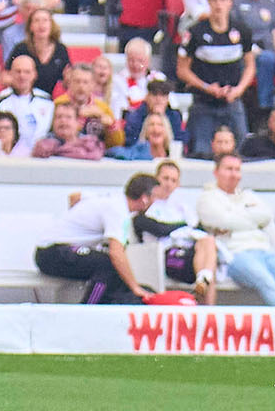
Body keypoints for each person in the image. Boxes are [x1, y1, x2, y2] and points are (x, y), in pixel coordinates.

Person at [197, 150, 275, 306]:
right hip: (234, 255)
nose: (234, 174)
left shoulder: (249, 195)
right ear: (216, 172)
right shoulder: (207, 198)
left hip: (265, 251)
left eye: (237, 169)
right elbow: (223, 221)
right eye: (228, 169)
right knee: (266, 279)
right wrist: (252, 219)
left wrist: (235, 218)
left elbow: (267, 217)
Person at [34, 173, 159, 303]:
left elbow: (75, 196)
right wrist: (135, 288)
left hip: (54, 249)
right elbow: (116, 254)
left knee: (114, 274)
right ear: (144, 198)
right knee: (108, 265)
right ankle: (90, 310)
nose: (155, 201)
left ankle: (100, 306)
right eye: (154, 197)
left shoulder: (112, 198)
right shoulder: (118, 210)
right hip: (51, 252)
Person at [177, 0, 255, 153]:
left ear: (230, 2)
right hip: (203, 102)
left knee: (241, 150)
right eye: (214, 0)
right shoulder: (195, 33)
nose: (219, 4)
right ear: (208, 2)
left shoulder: (241, 31)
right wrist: (206, 87)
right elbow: (182, 70)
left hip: (232, 101)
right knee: (201, 151)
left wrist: (239, 90)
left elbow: (250, 66)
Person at [136, 158, 220, 303]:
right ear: (156, 179)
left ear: (178, 184)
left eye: (173, 180)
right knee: (208, 266)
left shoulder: (182, 207)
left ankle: (203, 284)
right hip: (165, 256)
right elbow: (160, 229)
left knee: (208, 244)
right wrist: (184, 226)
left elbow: (198, 229)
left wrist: (184, 226)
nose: (169, 183)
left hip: (188, 255)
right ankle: (207, 308)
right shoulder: (147, 205)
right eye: (165, 178)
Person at [0, 53, 56, 144]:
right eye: (18, 71)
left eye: (27, 72)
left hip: (40, 155)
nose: (22, 76)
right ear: (10, 74)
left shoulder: (47, 101)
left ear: (34, 75)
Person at [31, 102, 106, 158]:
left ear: (78, 123)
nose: (63, 121)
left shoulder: (90, 145)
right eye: (59, 117)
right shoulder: (43, 145)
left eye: (68, 117)